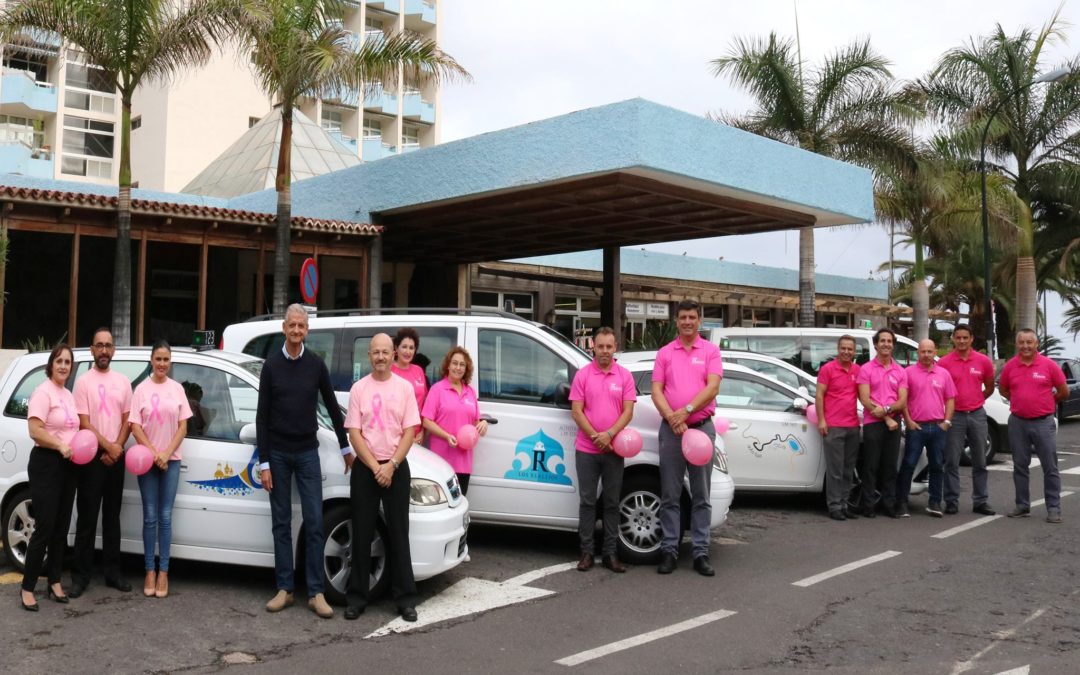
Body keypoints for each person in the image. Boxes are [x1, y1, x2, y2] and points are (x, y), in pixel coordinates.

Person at [256, 304, 349, 618]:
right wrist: (265, 462)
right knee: (280, 523)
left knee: (314, 522)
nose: (296, 331)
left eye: (301, 326)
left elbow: (334, 409)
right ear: (284, 328)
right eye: (292, 325)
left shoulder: (315, 365)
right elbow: (261, 418)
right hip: (278, 455)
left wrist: (346, 447)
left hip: (308, 452)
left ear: (307, 330)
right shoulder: (271, 367)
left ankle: (316, 592)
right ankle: (284, 588)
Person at [343, 333, 421, 622]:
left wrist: (391, 465)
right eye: (375, 352)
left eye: (385, 352)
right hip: (367, 467)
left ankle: (405, 599)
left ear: (392, 355)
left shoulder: (404, 389)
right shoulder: (358, 389)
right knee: (361, 533)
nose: (380, 357)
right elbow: (354, 432)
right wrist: (376, 467)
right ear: (369, 355)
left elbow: (410, 430)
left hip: (396, 466)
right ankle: (357, 598)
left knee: (400, 533)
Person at [650, 300, 722, 576]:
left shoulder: (711, 351)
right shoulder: (665, 353)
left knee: (702, 495)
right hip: (671, 431)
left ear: (699, 321)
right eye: (683, 317)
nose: (688, 322)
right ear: (676, 321)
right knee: (669, 494)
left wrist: (686, 411)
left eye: (692, 317)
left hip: (701, 429)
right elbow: (657, 390)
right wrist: (672, 418)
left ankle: (701, 553)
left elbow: (713, 387)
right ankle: (669, 550)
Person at [70, 327, 133, 597]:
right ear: (92, 349)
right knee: (87, 518)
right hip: (91, 457)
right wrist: (109, 446)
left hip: (115, 457)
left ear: (113, 350)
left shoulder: (123, 382)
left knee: (112, 518)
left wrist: (117, 448)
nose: (104, 350)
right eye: (99, 345)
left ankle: (112, 573)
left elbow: (128, 419)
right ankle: (80, 576)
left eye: (108, 345)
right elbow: (83, 422)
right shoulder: (83, 382)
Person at [570, 327, 636, 573]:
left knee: (611, 503)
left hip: (613, 450)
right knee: (587, 502)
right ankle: (586, 553)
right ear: (593, 347)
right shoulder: (583, 375)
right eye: (600, 346)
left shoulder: (624, 376)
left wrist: (608, 435)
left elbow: (628, 411)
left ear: (615, 347)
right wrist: (595, 436)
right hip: (586, 450)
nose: (605, 351)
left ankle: (610, 554)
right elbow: (576, 411)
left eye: (609, 346)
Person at [129, 341, 191, 599]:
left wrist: (165, 454)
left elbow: (183, 427)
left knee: (165, 517)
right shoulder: (141, 389)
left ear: (170, 361)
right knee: (150, 517)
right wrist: (154, 454)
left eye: (166, 359)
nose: (162, 364)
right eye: (158, 359)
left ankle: (164, 571)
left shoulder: (177, 389)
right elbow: (135, 426)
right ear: (151, 361)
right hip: (147, 461)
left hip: (171, 461)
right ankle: (149, 571)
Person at [21, 344, 79, 611]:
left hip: (68, 464)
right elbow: (35, 429)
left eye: (68, 362)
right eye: (59, 361)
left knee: (60, 528)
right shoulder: (43, 392)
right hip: (46, 463)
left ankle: (54, 581)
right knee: (44, 528)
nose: (64, 366)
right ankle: (28, 587)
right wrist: (58, 445)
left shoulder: (67, 394)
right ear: (51, 364)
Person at [999, 329, 1070, 523]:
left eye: (1029, 342)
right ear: (1017, 344)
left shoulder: (1048, 365)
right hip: (1018, 422)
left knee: (1050, 467)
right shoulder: (1010, 366)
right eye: (1022, 342)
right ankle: (1022, 505)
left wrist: (1047, 401)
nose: (1025, 346)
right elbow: (1004, 389)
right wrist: (1020, 401)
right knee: (1020, 466)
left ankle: (1054, 508)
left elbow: (1064, 391)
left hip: (1043, 422)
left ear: (1036, 344)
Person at [938, 324, 997, 515]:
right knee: (951, 461)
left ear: (972, 339)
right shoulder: (944, 363)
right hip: (954, 416)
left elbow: (989, 386)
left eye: (965, 337)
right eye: (958, 337)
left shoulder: (983, 361)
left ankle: (980, 501)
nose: (962, 341)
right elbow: (939, 390)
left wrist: (978, 399)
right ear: (953, 339)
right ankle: (951, 501)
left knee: (980, 460)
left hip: (977, 414)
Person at [895, 339, 956, 518]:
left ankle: (935, 502)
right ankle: (902, 502)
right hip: (917, 427)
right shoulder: (908, 373)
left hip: (938, 427)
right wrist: (908, 420)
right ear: (918, 353)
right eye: (923, 351)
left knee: (937, 465)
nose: (927, 355)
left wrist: (946, 422)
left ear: (935, 351)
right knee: (908, 464)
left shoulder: (944, 374)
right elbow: (903, 399)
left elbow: (950, 399)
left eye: (930, 351)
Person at [855, 328, 908, 517]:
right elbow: (864, 398)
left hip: (894, 421)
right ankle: (868, 505)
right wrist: (885, 416)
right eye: (882, 341)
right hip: (873, 422)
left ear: (893, 345)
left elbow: (902, 401)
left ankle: (888, 504)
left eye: (889, 341)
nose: (886, 344)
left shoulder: (900, 371)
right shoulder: (866, 369)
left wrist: (886, 411)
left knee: (890, 465)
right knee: (871, 466)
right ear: (876, 344)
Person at [421, 346, 487, 495]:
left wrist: (483, 423)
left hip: (464, 462)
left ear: (466, 368)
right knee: (441, 505)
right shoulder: (437, 389)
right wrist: (446, 436)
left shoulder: (470, 392)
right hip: (442, 460)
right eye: (455, 363)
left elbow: (475, 421)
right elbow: (426, 421)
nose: (458, 367)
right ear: (448, 365)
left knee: (460, 503)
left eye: (462, 364)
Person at [815, 335, 862, 521]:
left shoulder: (857, 370)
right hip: (833, 426)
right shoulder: (827, 369)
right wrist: (821, 420)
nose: (846, 352)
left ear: (854, 351)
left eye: (850, 349)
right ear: (838, 349)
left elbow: (863, 395)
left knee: (848, 470)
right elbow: (819, 396)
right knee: (835, 470)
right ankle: (834, 506)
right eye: (843, 348)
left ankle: (844, 504)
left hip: (852, 426)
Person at [392, 328, 427, 444]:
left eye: (411, 348)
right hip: (396, 436)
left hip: (417, 435)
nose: (408, 351)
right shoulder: (389, 370)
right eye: (404, 347)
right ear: (396, 348)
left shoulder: (419, 371)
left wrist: (422, 431)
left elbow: (424, 403)